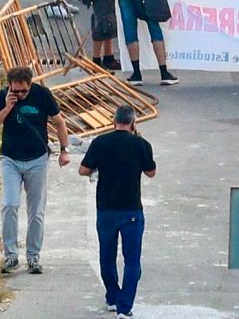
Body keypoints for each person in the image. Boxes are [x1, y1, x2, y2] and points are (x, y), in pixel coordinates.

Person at [0, 65, 69, 276]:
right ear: (10, 86)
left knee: (36, 211)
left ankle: (33, 257)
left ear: (30, 85)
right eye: (16, 91)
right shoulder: (3, 97)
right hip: (10, 159)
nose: (20, 95)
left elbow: (59, 122)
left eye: (24, 91)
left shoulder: (42, 95)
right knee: (10, 204)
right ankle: (10, 255)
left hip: (37, 159)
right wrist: (6, 108)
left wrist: (64, 150)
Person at [78, 105, 154, 319]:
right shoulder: (141, 144)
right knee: (132, 259)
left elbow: (83, 170)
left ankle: (112, 295)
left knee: (107, 255)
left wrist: (98, 167)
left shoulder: (100, 142)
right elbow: (151, 172)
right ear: (133, 123)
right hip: (131, 208)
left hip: (106, 208)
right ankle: (124, 306)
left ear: (114, 122)